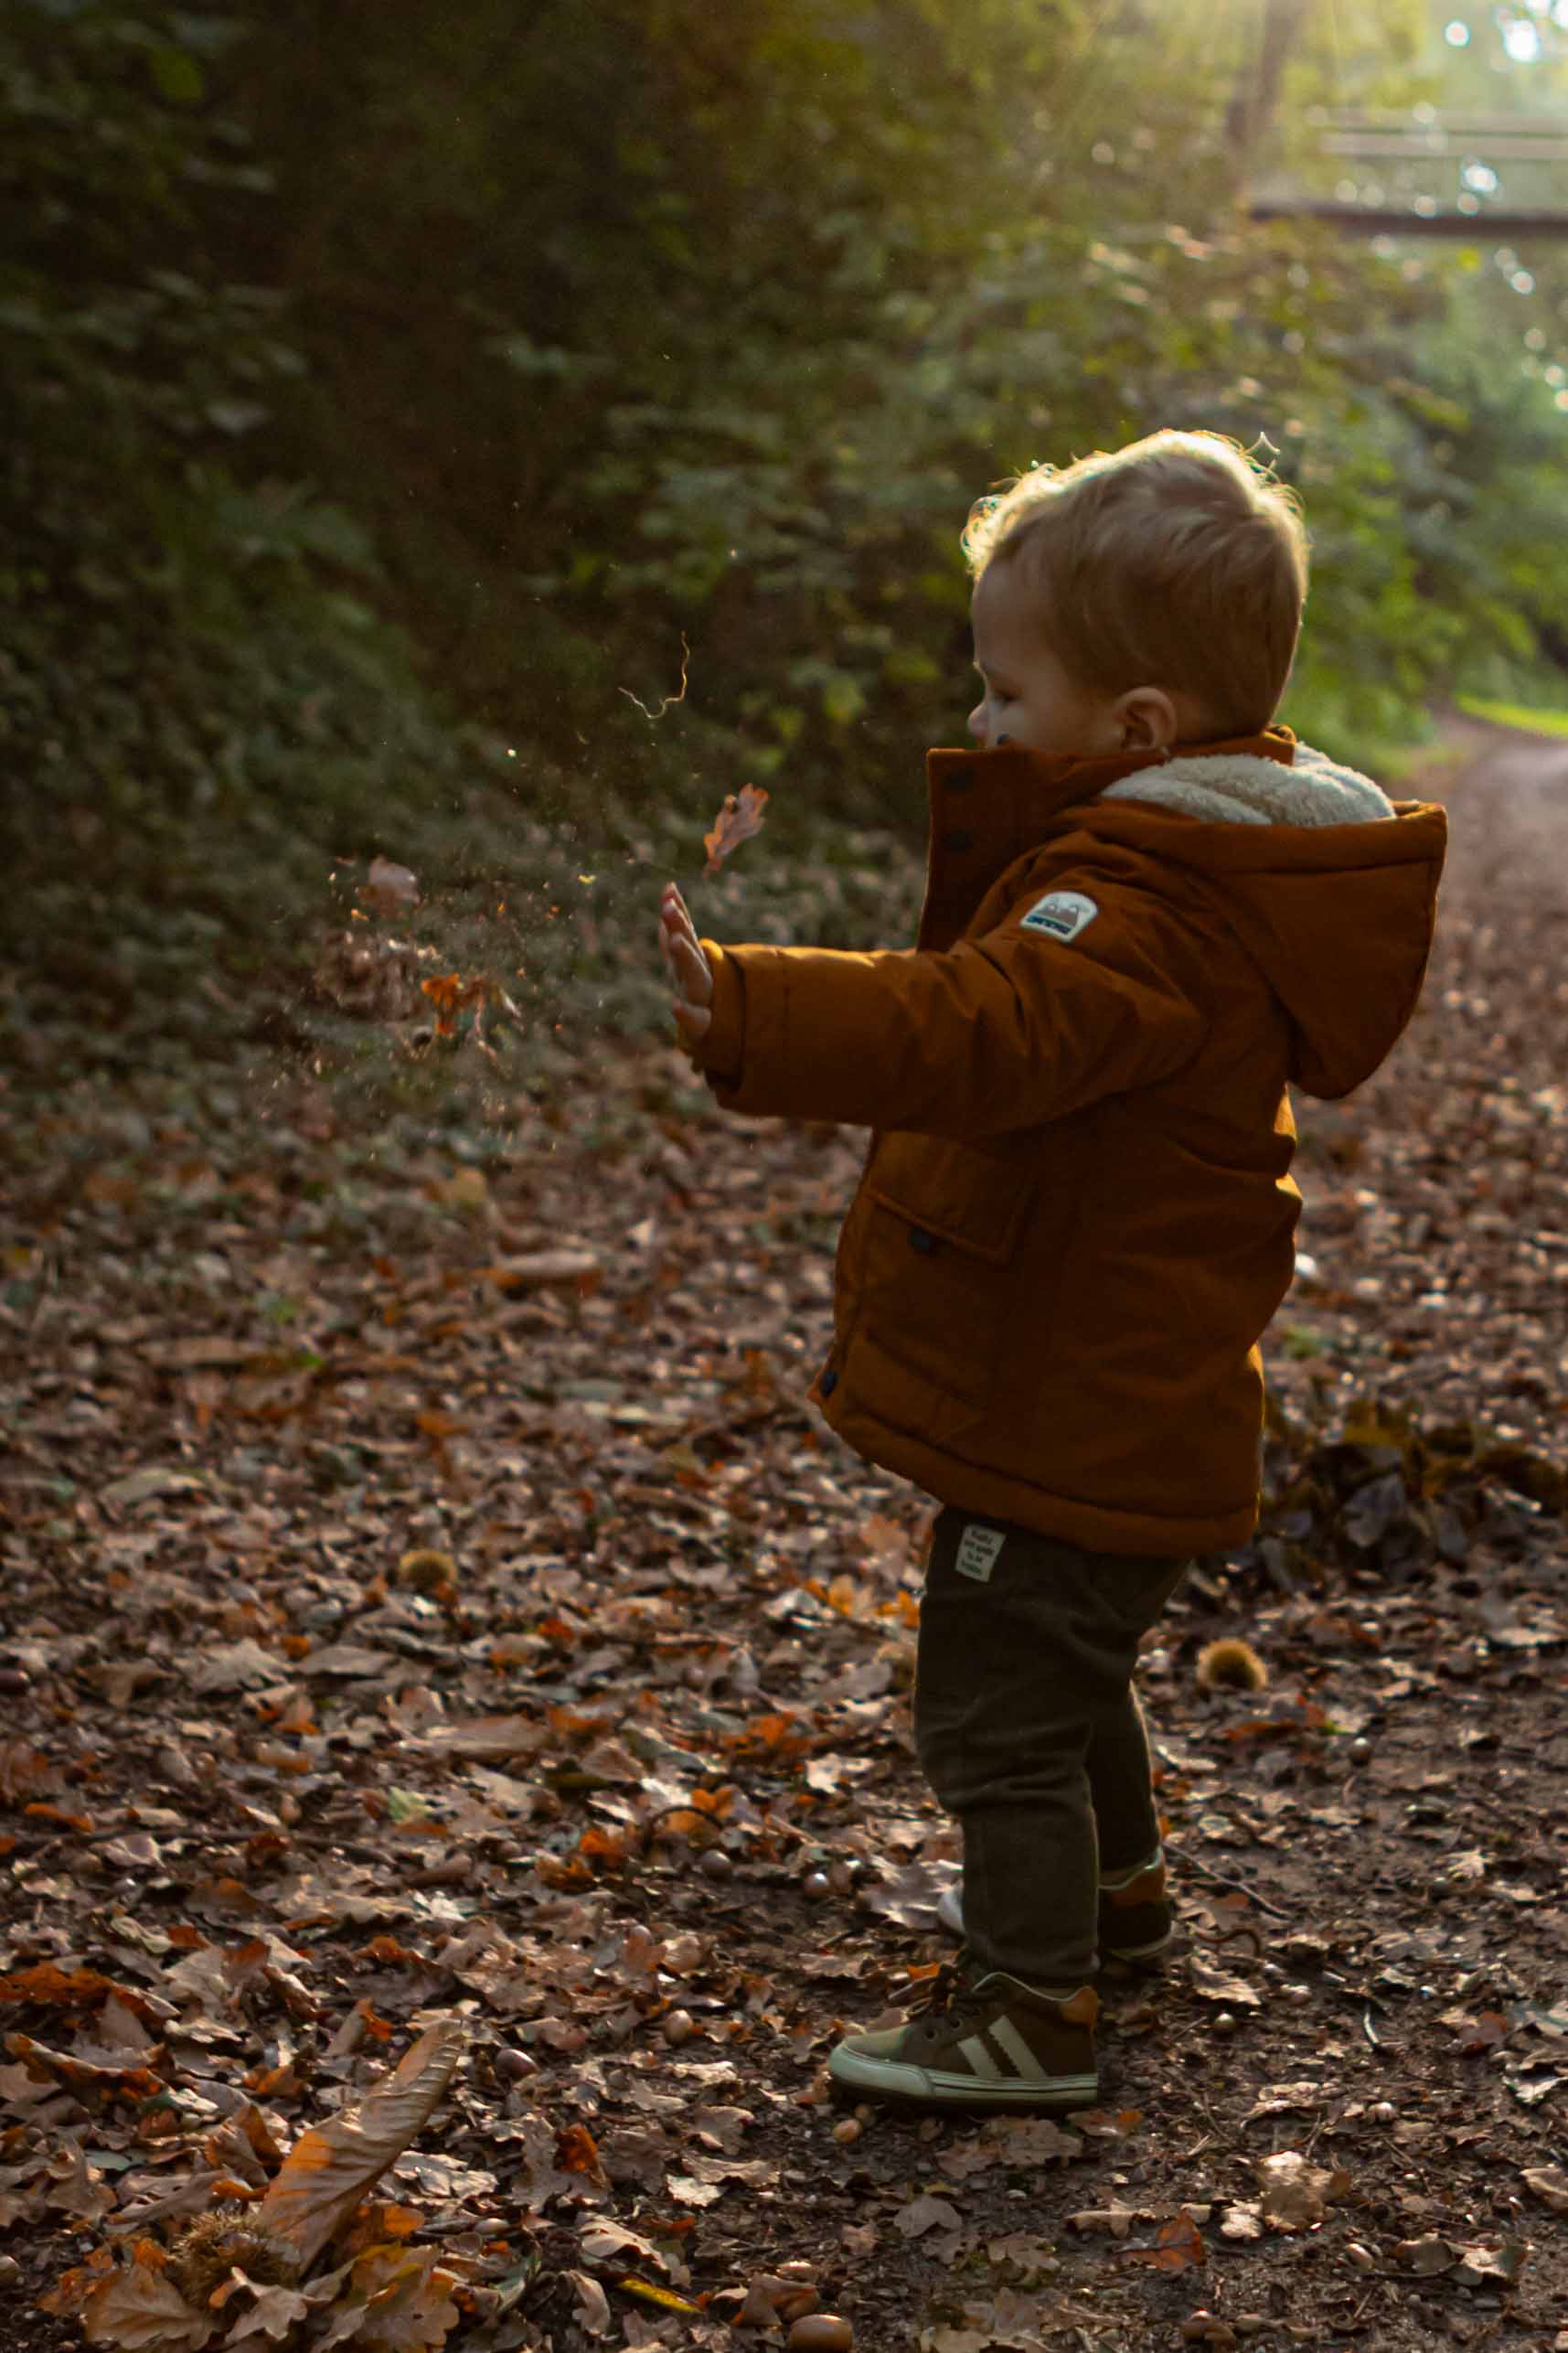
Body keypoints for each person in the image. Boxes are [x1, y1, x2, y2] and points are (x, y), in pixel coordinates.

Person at [656, 428, 1447, 2112]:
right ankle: (1115, 1905)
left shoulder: (1144, 909)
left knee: (995, 1703)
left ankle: (1030, 2006)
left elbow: (979, 1027)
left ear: (1138, 729)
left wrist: (756, 1006)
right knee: (1063, 1666)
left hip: (1078, 1401)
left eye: (1009, 693)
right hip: (1113, 1392)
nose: (984, 720)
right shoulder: (1187, 870)